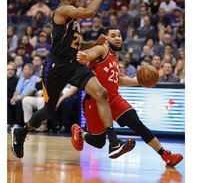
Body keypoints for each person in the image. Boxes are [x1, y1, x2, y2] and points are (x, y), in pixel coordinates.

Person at [11, 0, 135, 159]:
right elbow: (89, 13)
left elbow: (77, 45)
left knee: (101, 93)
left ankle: (113, 142)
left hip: (73, 65)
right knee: (49, 110)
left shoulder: (72, 18)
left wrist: (94, 42)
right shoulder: (63, 10)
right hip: (55, 67)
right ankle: (22, 132)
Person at [63, 26, 183, 167]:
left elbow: (117, 80)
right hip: (95, 101)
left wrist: (139, 82)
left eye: (119, 35)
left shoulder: (115, 56)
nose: (118, 38)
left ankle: (166, 156)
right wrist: (85, 56)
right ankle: (79, 131)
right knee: (98, 142)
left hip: (114, 99)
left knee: (137, 124)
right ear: (106, 39)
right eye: (113, 35)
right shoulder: (102, 48)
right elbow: (89, 53)